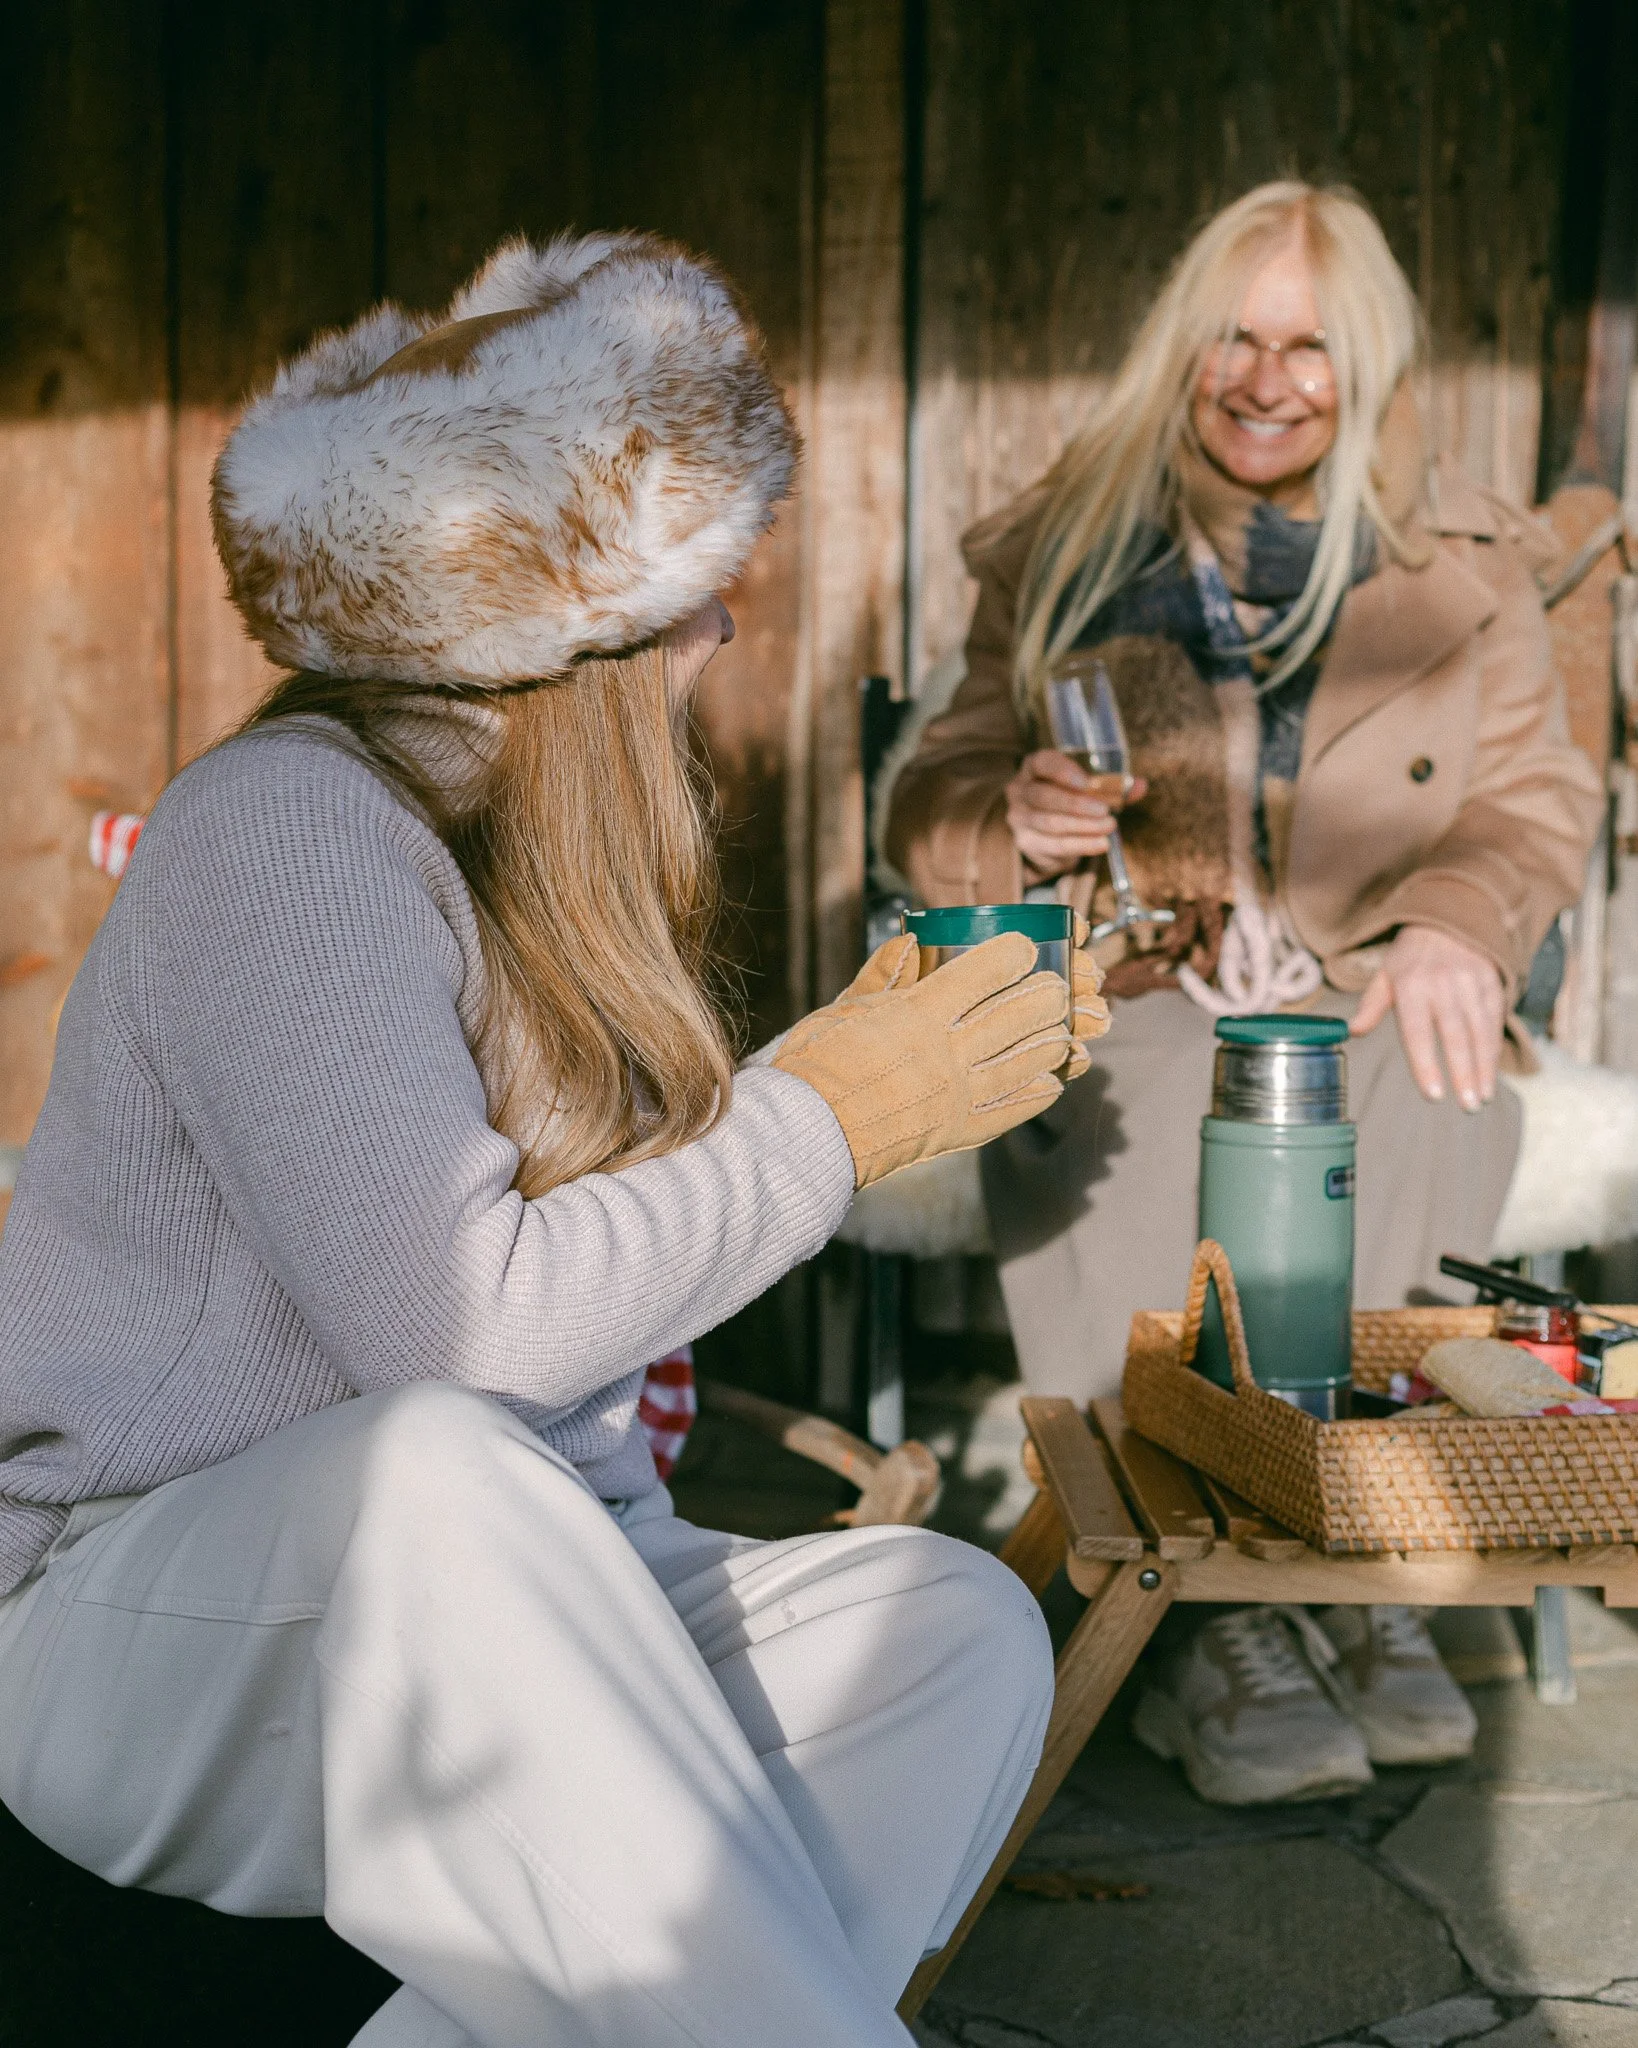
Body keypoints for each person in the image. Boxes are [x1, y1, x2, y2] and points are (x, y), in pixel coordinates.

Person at [0, 233, 1108, 2048]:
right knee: (436, 1469)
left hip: (528, 1590)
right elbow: (463, 1338)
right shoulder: (288, 831)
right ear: (566, 636)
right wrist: (835, 1114)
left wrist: (840, 1082)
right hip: (136, 1617)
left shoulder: (547, 861)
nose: (724, 635)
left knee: (947, 1627)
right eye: (695, 600)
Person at [886, 182, 1603, 1806]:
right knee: (1113, 1080)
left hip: (1359, 974)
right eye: (1235, 334)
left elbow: (1530, 798)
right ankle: (1217, 1611)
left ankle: (1369, 1563)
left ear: (1366, 371)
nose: (1265, 378)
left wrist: (1453, 923)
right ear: (1182, 343)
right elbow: (932, 787)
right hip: (1140, 961)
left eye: (1310, 347)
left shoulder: (1462, 560)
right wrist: (1012, 814)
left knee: (1424, 1072)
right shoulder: (1068, 539)